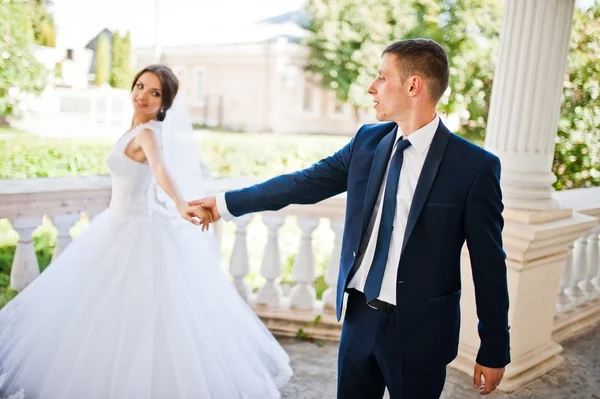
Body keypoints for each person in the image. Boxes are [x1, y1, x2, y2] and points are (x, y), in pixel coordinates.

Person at [193, 39, 510, 398]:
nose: (371, 88)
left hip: (422, 330)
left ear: (413, 86)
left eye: (381, 77)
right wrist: (224, 203)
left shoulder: (474, 166)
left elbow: (489, 264)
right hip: (360, 317)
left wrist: (494, 346)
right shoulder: (366, 142)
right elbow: (303, 183)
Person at [0, 64, 292, 399]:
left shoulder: (148, 134)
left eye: (155, 93)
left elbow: (160, 169)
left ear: (165, 103)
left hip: (133, 229)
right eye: (140, 86)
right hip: (117, 224)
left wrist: (182, 204)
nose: (143, 95)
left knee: (138, 318)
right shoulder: (133, 130)